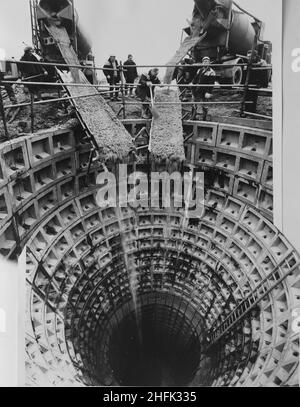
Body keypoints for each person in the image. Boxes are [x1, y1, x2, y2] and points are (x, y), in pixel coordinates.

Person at [192, 56, 217, 120]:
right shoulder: (199, 70)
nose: (205, 62)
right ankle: (193, 117)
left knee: (205, 104)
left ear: (209, 63)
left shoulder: (211, 72)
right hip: (198, 89)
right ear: (202, 62)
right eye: (204, 61)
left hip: (205, 90)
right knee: (194, 103)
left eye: (207, 61)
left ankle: (204, 118)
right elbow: (195, 79)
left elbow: (211, 84)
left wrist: (209, 92)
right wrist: (192, 84)